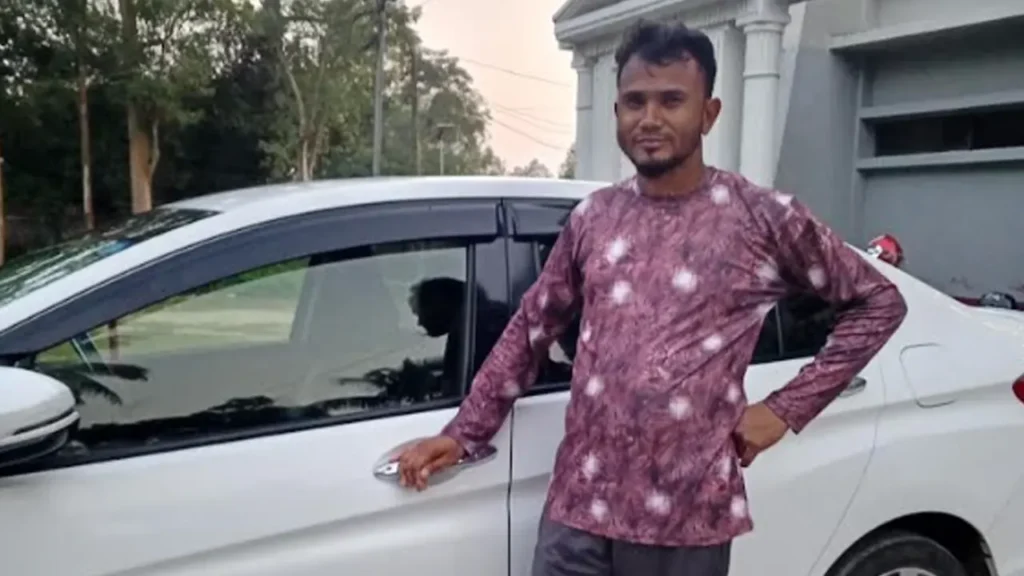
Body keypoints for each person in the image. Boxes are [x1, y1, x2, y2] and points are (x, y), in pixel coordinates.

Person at [396, 20, 908, 576]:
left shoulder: (761, 218)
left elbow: (879, 302)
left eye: (671, 101)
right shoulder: (594, 218)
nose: (650, 118)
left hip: (684, 520)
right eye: (635, 102)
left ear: (708, 114)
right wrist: (464, 433)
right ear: (616, 111)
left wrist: (784, 409)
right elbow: (530, 330)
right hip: (579, 510)